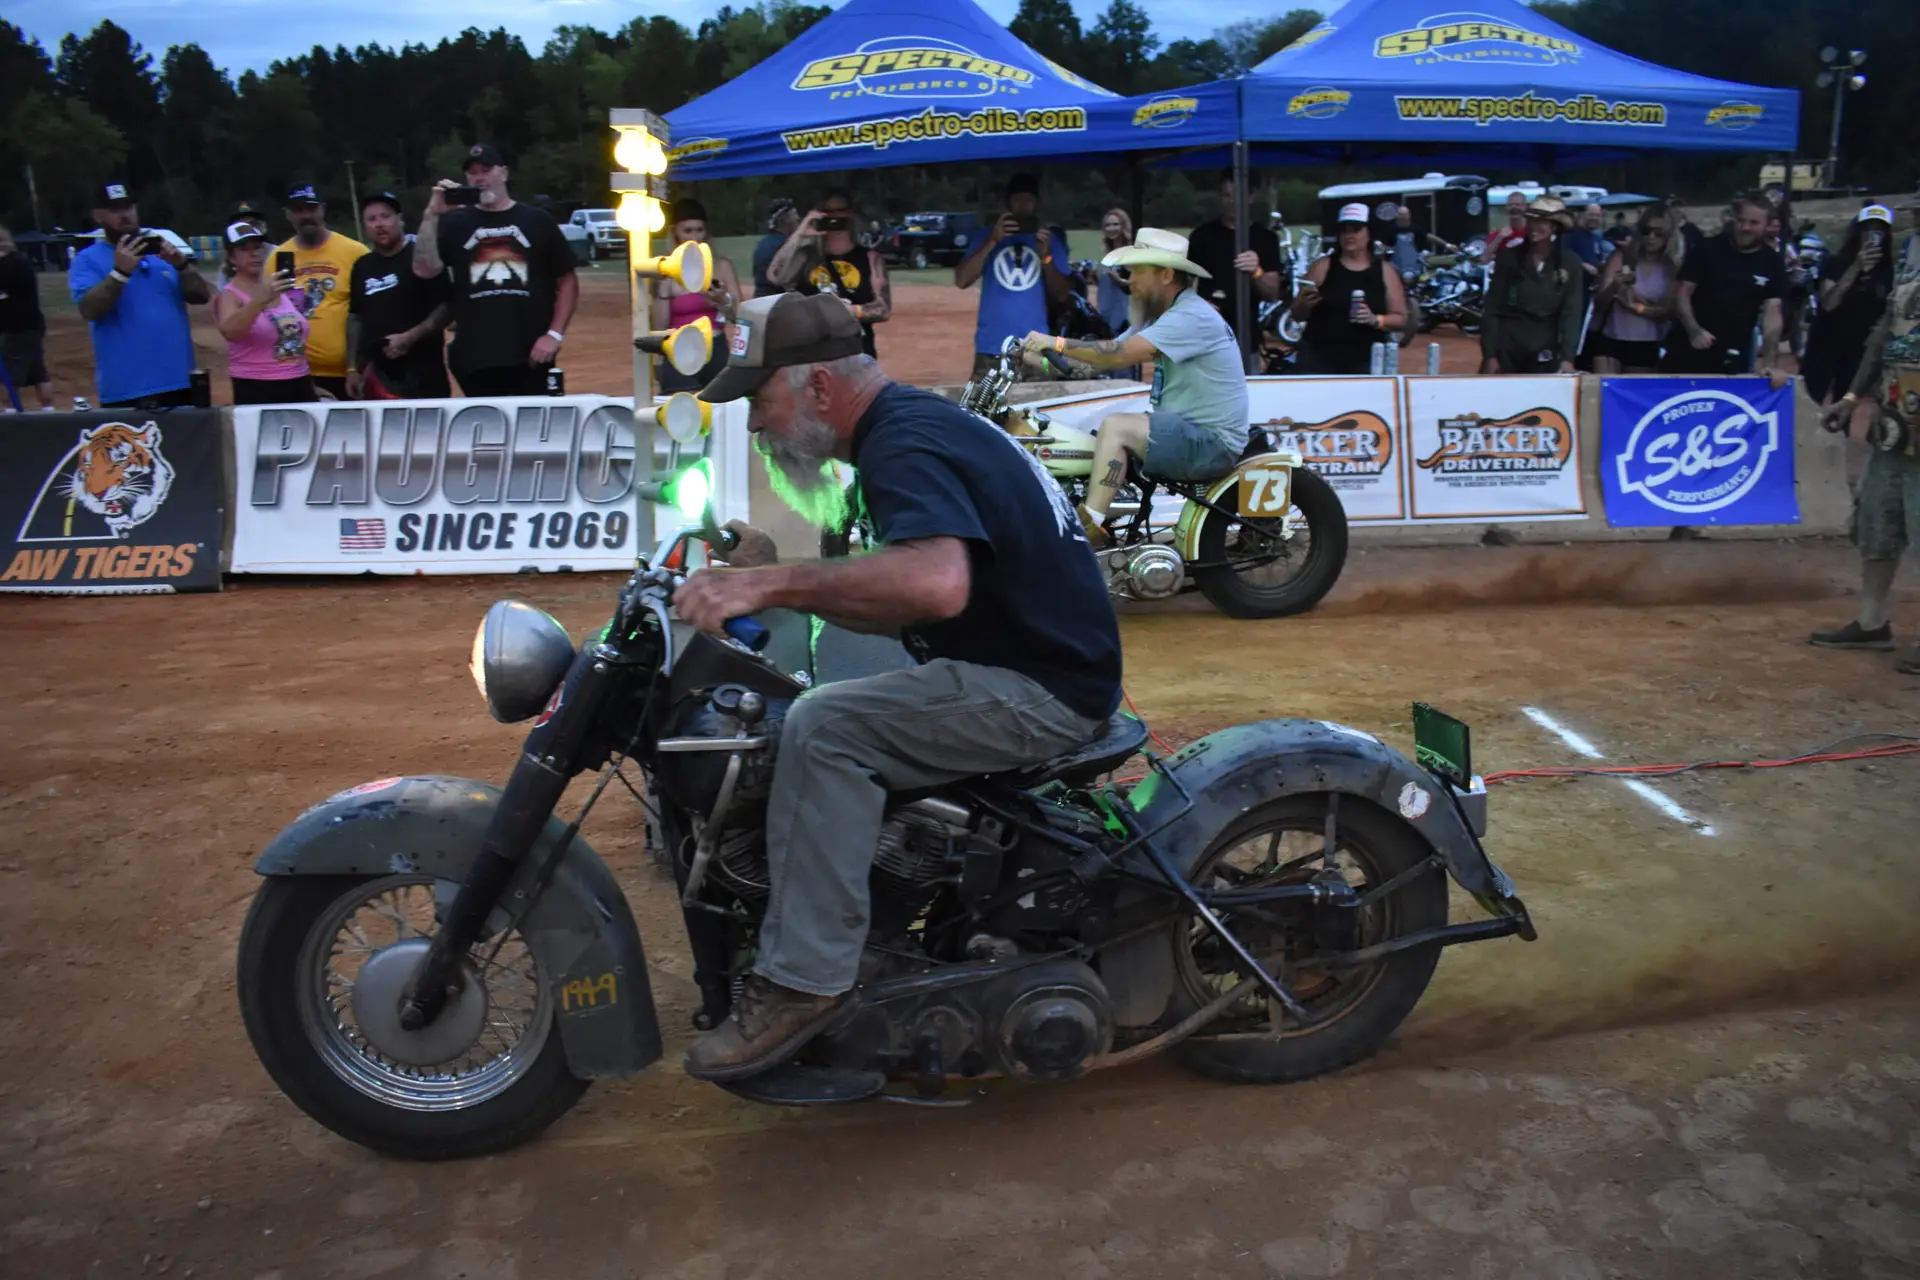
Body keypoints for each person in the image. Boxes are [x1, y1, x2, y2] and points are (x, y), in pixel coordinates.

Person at [670, 291, 1121, 1080]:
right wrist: (773, 572)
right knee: (817, 696)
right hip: (1021, 659)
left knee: (824, 727)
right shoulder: (910, 426)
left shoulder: (902, 443)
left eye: (759, 400)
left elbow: (936, 584)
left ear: (818, 386)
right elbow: (897, 594)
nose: (754, 425)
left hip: (1039, 687)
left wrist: (769, 584)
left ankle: (804, 982)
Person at [1015, 228, 1248, 543]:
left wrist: (1055, 342)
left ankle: (1087, 530)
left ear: (1166, 275)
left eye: (1138, 271)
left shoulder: (1190, 316)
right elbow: (1093, 364)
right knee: (1102, 434)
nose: (1130, 279)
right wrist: (1035, 360)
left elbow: (1117, 354)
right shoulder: (1160, 319)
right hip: (1187, 431)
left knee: (1117, 427)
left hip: (1210, 441)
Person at [1811, 248, 1920, 672]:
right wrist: (1853, 397)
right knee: (1877, 522)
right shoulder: (1910, 253)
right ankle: (1872, 623)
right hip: (1894, 424)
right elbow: (1884, 333)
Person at [414, 143, 578, 397]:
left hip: (531, 353)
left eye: (486, 170)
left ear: (504, 173)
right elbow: (425, 270)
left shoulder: (536, 220)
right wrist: (431, 215)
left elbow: (567, 280)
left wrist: (554, 335)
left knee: (534, 420)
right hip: (474, 358)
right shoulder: (454, 223)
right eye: (473, 173)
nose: (480, 178)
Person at [69, 181, 212, 409]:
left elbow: (202, 296)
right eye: (114, 209)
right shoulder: (87, 260)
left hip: (180, 381)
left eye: (128, 207)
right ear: (98, 216)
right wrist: (120, 273)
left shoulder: (160, 253)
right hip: (127, 388)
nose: (124, 215)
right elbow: (89, 309)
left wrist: (183, 266)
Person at [954, 173, 1071, 378]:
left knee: (1039, 399)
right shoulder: (987, 236)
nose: (1023, 206)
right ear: (1007, 203)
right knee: (985, 399)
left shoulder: (1048, 240)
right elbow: (962, 280)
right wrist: (992, 240)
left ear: (1037, 204)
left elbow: (1063, 294)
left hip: (1036, 347)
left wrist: (1047, 258)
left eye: (1029, 200)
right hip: (993, 346)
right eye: (1017, 200)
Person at [1664, 195, 1788, 383]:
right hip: (1688, 346)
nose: (1745, 227)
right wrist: (1694, 330)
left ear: (1767, 226)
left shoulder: (1773, 262)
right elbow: (1682, 292)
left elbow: (1773, 313)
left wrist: (1770, 362)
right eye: (1741, 220)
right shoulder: (1707, 248)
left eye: (1754, 223)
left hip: (1735, 352)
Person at [346, 190, 451, 400]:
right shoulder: (362, 266)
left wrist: (409, 337)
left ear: (400, 220)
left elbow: (448, 305)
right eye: (372, 219)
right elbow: (356, 317)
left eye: (385, 217)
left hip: (424, 373)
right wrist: (352, 368)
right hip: (379, 376)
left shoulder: (422, 256)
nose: (379, 224)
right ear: (365, 226)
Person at [767, 188, 889, 359]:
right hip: (813, 353)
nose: (835, 216)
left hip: (856, 353)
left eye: (840, 210)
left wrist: (848, 311)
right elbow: (775, 276)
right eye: (828, 211)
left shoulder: (870, 258)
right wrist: (799, 233)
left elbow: (883, 309)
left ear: (850, 213)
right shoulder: (806, 256)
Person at [1288, 202, 1408, 376]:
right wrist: (1304, 305)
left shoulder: (1386, 271)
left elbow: (1401, 318)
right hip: (1320, 356)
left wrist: (1375, 319)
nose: (1349, 235)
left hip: (1366, 360)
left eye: (1356, 229)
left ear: (1369, 233)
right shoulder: (1322, 267)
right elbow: (1296, 314)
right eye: (1344, 230)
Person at [275, 184, 367, 400]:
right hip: (299, 374)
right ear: (287, 214)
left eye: (311, 208)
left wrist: (356, 368)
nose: (306, 216)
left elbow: (367, 313)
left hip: (350, 374)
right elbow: (275, 318)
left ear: (323, 209)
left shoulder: (355, 252)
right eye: (298, 210)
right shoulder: (278, 257)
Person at [1801, 206, 1896, 405]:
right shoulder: (1834, 263)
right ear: (1857, 233)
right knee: (1809, 400)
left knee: (1844, 404)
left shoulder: (1887, 271)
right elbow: (1828, 303)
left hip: (1857, 347)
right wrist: (1856, 267)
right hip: (1825, 342)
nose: (1873, 236)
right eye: (1867, 230)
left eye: (1879, 231)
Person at [1480, 195, 1584, 375]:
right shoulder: (1509, 258)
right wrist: (1490, 355)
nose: (1534, 227)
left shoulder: (1570, 263)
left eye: (1541, 221)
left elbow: (1572, 312)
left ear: (1554, 226)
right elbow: (1492, 308)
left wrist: (1567, 358)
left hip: (1545, 347)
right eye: (1531, 221)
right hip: (1508, 346)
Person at [212, 221, 314, 404]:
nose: (254, 254)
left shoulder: (277, 288)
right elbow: (230, 331)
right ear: (231, 257)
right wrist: (259, 300)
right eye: (244, 249)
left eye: (258, 247)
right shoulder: (230, 294)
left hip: (299, 379)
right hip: (258, 385)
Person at [653, 197, 741, 393]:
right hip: (679, 348)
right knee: (685, 406)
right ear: (675, 231)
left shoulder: (721, 266)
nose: (695, 237)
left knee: (718, 406)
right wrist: (663, 292)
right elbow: (659, 325)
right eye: (688, 231)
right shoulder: (664, 269)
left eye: (699, 230)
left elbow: (739, 316)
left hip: (715, 346)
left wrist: (724, 301)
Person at [1185, 171, 1282, 343]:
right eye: (1227, 195)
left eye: (1238, 195)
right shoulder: (1202, 236)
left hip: (1248, 337)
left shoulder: (1266, 238)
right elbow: (1183, 284)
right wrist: (1196, 305)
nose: (1233, 202)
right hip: (1207, 335)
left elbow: (1271, 293)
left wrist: (1256, 271)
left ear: (1251, 196)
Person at [1589, 210, 1682, 375]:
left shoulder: (1671, 267)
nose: (1651, 237)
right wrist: (1614, 286)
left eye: (1658, 233)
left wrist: (1635, 307)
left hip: (1646, 342)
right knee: (1603, 390)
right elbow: (1599, 304)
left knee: (1635, 390)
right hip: (1610, 338)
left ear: (1669, 235)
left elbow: (1669, 311)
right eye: (1646, 231)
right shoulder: (1622, 257)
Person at [0, 225, 54, 410]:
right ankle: (48, 410)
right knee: (38, 372)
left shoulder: (11, 263)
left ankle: (10, 412)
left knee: (9, 375)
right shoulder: (20, 261)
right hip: (32, 326)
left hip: (17, 329)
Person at [1088, 207, 1134, 334]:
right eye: (1108, 225)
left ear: (1123, 226)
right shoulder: (1107, 253)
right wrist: (1094, 278)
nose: (1111, 228)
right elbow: (1107, 286)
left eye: (1115, 224)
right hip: (1104, 313)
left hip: (1120, 317)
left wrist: (1114, 277)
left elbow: (1131, 287)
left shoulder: (1129, 253)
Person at [1387, 204, 1452, 283]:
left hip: (1415, 263)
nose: (1403, 217)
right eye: (1401, 214)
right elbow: (1382, 245)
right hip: (1396, 264)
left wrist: (1447, 244)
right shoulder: (1390, 230)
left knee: (1409, 276)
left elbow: (1429, 236)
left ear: (1409, 215)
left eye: (1405, 214)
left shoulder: (1415, 229)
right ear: (1397, 216)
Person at [752, 199, 798, 298]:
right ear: (786, 219)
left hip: (759, 298)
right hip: (777, 300)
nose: (797, 218)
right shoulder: (785, 246)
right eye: (795, 215)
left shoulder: (762, 243)